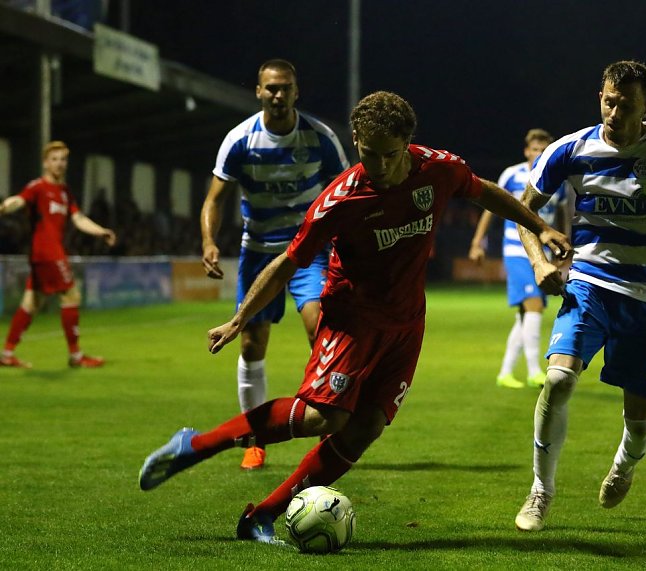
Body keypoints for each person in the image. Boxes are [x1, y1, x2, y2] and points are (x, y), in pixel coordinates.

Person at [139, 91, 572, 544]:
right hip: (353, 318)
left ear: (408, 143)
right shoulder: (340, 199)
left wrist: (540, 226)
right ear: (356, 141)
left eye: (389, 154)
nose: (379, 165)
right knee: (321, 418)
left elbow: (485, 193)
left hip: (406, 324)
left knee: (365, 427)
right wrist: (240, 317)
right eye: (369, 154)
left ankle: (261, 517)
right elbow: (289, 262)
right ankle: (196, 445)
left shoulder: (440, 170)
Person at [512, 60, 646, 532]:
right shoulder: (568, 150)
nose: (614, 111)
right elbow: (524, 210)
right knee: (559, 380)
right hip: (589, 286)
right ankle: (540, 492)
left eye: (626, 105)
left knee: (640, 411)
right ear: (600, 98)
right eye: (609, 101)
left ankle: (624, 465)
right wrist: (540, 262)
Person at [200, 59, 350, 470]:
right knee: (251, 342)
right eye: (271, 88)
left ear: (296, 91)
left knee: (320, 330)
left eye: (285, 88)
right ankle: (255, 438)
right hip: (259, 251)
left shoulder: (320, 138)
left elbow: (347, 190)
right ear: (258, 91)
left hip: (308, 251)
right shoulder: (240, 139)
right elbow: (215, 198)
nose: (278, 95)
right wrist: (209, 240)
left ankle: (330, 426)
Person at [0, 141, 117, 369]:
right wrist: (3, 207)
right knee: (71, 296)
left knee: (31, 303)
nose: (59, 164)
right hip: (47, 252)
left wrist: (100, 231)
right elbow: (19, 200)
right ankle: (76, 356)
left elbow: (78, 218)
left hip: (45, 254)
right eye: (54, 159)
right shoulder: (38, 187)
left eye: (63, 159)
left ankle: (6, 353)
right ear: (45, 162)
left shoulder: (64, 193)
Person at [469, 128, 564, 389]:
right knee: (535, 305)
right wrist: (478, 242)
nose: (538, 154)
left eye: (543, 150)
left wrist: (562, 249)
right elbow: (490, 206)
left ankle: (506, 372)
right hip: (517, 250)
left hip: (543, 254)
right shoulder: (512, 175)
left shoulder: (557, 180)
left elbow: (562, 214)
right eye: (534, 149)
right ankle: (535, 371)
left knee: (525, 314)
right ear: (526, 151)